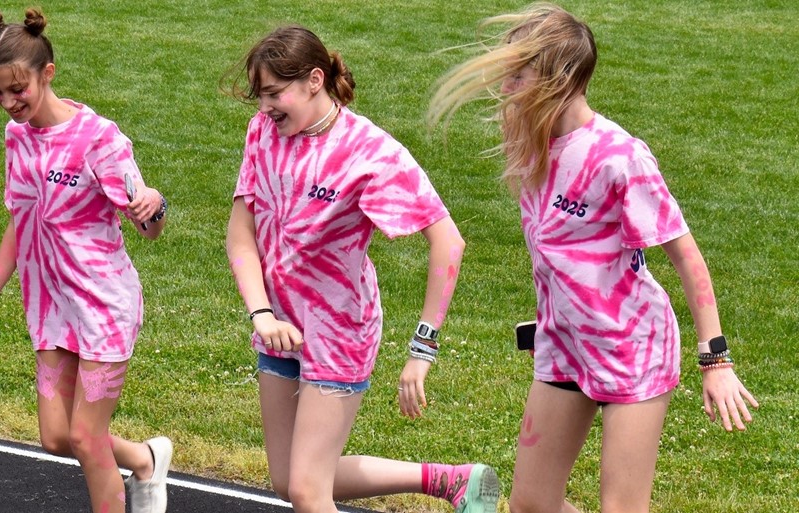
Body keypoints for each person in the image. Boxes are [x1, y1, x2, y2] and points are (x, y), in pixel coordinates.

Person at [426, 4, 759, 512]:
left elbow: (686, 255)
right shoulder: (534, 143)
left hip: (633, 349)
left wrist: (715, 360)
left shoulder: (620, 157)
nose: (507, 86)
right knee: (530, 505)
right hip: (565, 344)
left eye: (520, 74)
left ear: (558, 79)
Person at [223, 25, 500, 513]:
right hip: (278, 325)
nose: (264, 107)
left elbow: (448, 243)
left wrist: (422, 349)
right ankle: (450, 480)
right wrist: (261, 313)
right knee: (290, 481)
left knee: (309, 492)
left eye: (273, 93)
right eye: (259, 95)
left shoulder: (370, 153)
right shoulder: (262, 134)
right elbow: (240, 234)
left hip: (339, 331)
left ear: (314, 80)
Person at [0, 9, 172, 513]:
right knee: (57, 437)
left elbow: (148, 228)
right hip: (51, 307)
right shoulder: (17, 138)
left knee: (85, 438)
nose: (9, 103)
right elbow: (20, 221)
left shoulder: (98, 139)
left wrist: (154, 203)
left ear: (47, 75)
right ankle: (145, 459)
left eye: (18, 89)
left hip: (102, 304)